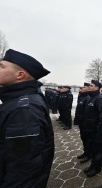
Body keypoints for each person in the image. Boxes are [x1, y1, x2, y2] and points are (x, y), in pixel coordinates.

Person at [0, 49, 54, 187]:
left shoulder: (23, 109)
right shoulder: (18, 101)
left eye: (2, 66)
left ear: (20, 75)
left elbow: (22, 169)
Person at [82, 80, 102, 176]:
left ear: (97, 88)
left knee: (97, 150)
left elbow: (101, 116)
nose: (89, 87)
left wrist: (98, 129)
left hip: (95, 130)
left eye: (91, 86)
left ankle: (97, 168)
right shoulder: (90, 97)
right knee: (91, 147)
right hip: (89, 128)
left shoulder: (99, 98)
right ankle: (93, 165)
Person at [74, 83, 91, 160]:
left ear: (88, 88)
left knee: (87, 140)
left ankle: (88, 154)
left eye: (84, 87)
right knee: (83, 138)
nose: (82, 88)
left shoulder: (87, 98)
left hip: (85, 123)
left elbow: (87, 113)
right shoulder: (82, 96)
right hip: (81, 122)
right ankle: (85, 152)